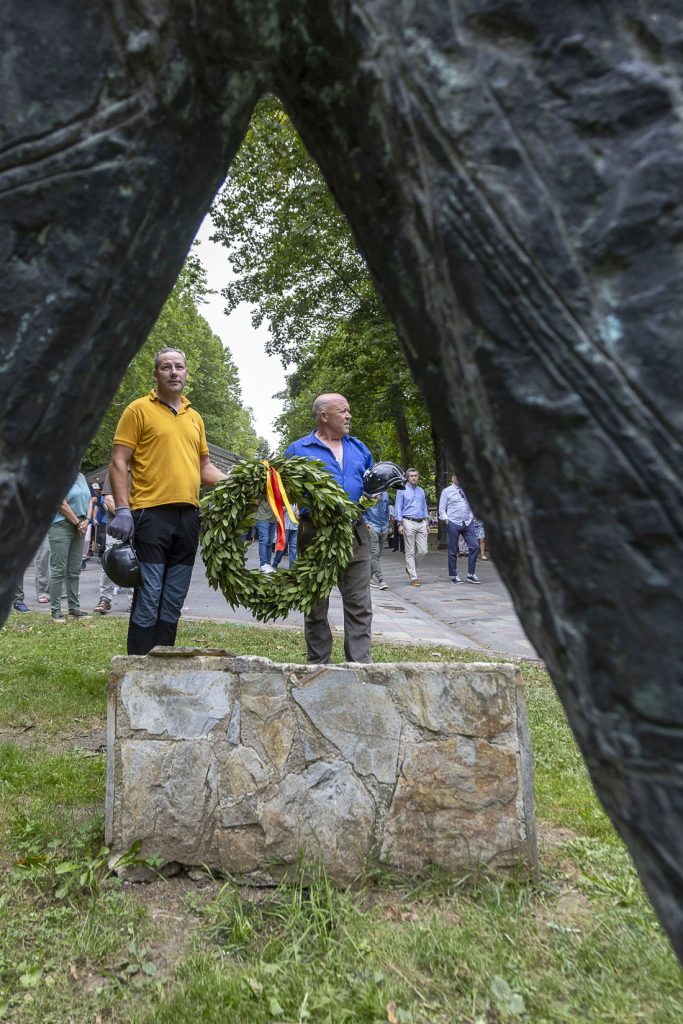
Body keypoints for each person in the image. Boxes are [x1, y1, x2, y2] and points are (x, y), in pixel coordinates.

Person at [107, 347, 228, 654]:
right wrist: (122, 509)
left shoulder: (195, 418)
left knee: (173, 597)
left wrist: (243, 480)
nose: (174, 372)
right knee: (149, 596)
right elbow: (119, 462)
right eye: (166, 367)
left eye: (179, 367)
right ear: (156, 374)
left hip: (188, 518)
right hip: (151, 516)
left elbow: (205, 469)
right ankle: (137, 668)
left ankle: (164, 667)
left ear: (187, 373)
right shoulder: (138, 410)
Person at [284, 392, 373, 664]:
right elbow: (285, 491)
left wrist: (375, 496)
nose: (349, 416)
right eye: (343, 411)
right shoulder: (298, 450)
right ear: (324, 416)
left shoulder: (360, 449)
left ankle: (360, 668)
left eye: (349, 410)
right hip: (315, 535)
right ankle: (318, 666)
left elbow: (371, 487)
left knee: (359, 605)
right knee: (315, 606)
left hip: (355, 534)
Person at [48, 470, 92, 621]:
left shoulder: (81, 476)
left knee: (74, 570)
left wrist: (87, 519)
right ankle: (55, 610)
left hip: (79, 525)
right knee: (59, 569)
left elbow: (89, 500)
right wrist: (78, 523)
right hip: (61, 526)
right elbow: (61, 503)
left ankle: (74, 608)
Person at [438, 473, 481, 584]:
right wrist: (447, 521)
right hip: (453, 523)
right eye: (457, 477)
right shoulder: (447, 491)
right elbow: (442, 509)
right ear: (453, 478)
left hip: (467, 523)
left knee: (475, 546)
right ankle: (453, 575)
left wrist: (471, 517)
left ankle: (471, 574)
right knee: (453, 550)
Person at [394, 468, 429, 586]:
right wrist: (399, 524)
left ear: (418, 477)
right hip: (408, 521)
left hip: (421, 522)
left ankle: (409, 568)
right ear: (407, 478)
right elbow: (398, 507)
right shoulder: (401, 490)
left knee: (423, 551)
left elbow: (424, 506)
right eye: (411, 476)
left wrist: (427, 521)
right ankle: (414, 577)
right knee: (410, 550)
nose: (414, 477)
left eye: (416, 475)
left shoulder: (421, 491)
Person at [364, 489, 389, 589]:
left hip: (383, 527)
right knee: (375, 553)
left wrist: (387, 524)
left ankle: (368, 577)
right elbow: (363, 509)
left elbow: (386, 509)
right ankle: (381, 579)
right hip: (373, 527)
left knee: (377, 555)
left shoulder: (385, 494)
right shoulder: (368, 492)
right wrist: (367, 523)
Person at [254, 497, 277, 573]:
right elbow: (256, 501)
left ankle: (268, 564)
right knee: (264, 540)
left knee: (270, 542)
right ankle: (263, 564)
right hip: (263, 518)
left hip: (273, 519)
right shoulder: (262, 487)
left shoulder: (279, 487)